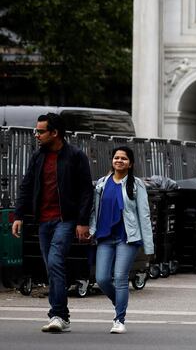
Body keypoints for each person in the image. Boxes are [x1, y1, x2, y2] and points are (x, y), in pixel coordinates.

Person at [11, 113, 93, 333]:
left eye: (40, 131)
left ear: (54, 133)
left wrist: (82, 222)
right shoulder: (38, 157)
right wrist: (18, 215)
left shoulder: (76, 156)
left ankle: (58, 314)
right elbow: (26, 186)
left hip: (65, 220)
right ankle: (61, 315)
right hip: (43, 221)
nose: (36, 135)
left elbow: (87, 190)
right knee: (51, 266)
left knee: (56, 261)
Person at [88, 146, 154, 334]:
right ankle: (120, 302)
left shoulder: (137, 184)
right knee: (101, 278)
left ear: (130, 163)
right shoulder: (102, 183)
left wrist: (149, 246)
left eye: (123, 159)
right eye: (116, 157)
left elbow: (144, 215)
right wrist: (91, 230)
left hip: (127, 238)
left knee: (120, 277)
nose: (119, 161)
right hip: (105, 237)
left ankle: (119, 319)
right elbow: (95, 211)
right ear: (112, 161)